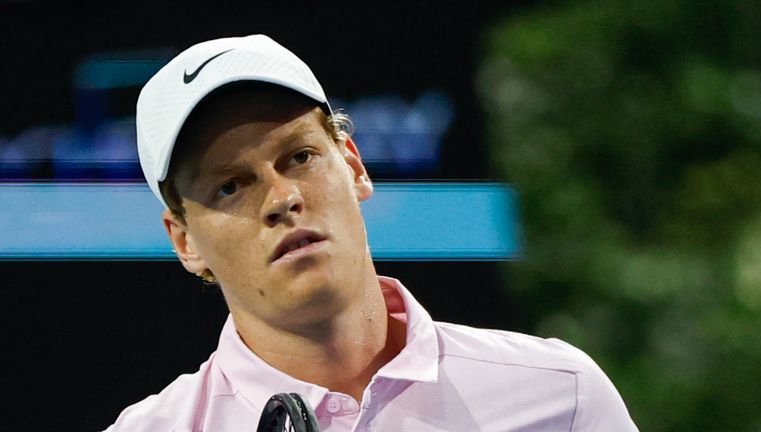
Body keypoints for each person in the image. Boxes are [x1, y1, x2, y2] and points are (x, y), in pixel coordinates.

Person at [106, 34, 638, 431]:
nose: (281, 198)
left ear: (354, 166)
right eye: (229, 187)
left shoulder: (562, 397)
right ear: (185, 241)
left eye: (300, 156)